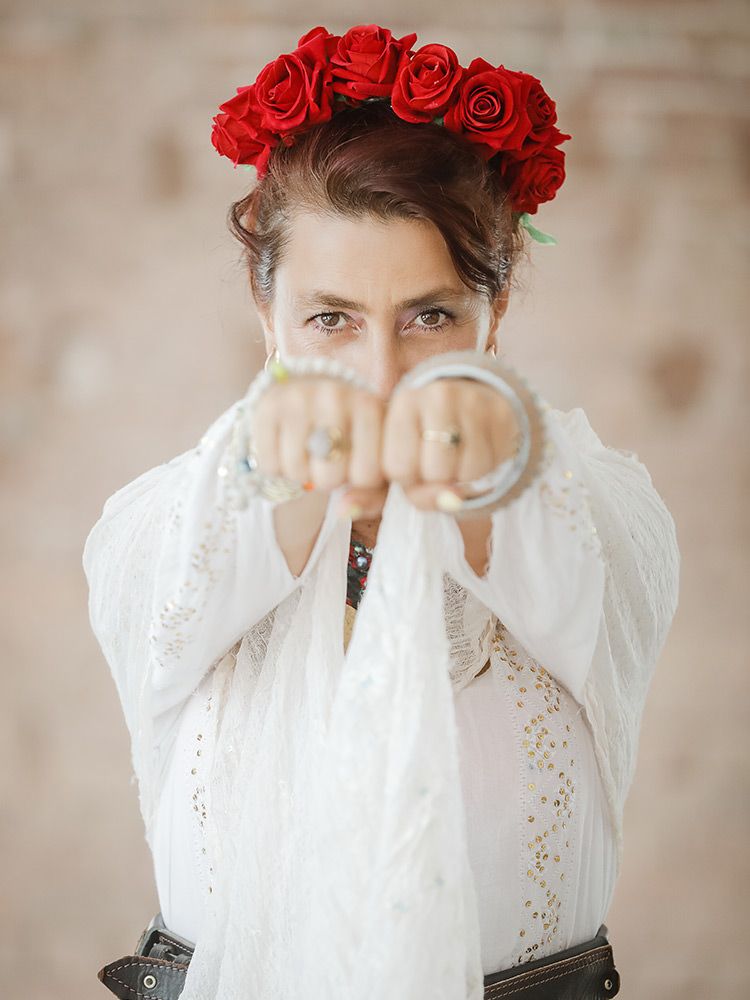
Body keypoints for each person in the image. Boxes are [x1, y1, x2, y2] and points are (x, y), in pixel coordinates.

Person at [85, 23, 680, 1000]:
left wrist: (485, 455)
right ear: (266, 312)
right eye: (332, 319)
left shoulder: (599, 508)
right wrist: (291, 464)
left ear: (496, 310)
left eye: (429, 317)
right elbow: (192, 562)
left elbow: (571, 559)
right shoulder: (163, 523)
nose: (382, 372)